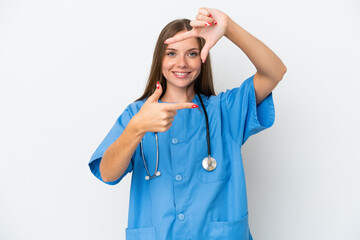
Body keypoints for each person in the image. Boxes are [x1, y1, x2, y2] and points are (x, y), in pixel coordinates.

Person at [88, 7, 286, 240]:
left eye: (192, 53)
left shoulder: (225, 111)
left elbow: (274, 72)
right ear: (159, 59)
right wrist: (137, 127)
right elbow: (108, 173)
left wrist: (229, 28)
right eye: (171, 53)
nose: (181, 63)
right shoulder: (137, 114)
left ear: (203, 58)